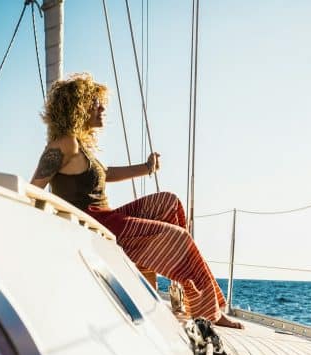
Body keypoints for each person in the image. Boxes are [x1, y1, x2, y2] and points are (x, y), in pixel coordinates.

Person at [30, 73, 242, 329]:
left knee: (169, 203)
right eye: (95, 102)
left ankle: (165, 284)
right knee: (179, 239)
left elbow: (104, 174)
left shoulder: (80, 146)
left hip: (108, 220)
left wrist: (146, 167)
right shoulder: (64, 144)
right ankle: (208, 312)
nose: (102, 107)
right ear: (78, 106)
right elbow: (35, 188)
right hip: (96, 226)